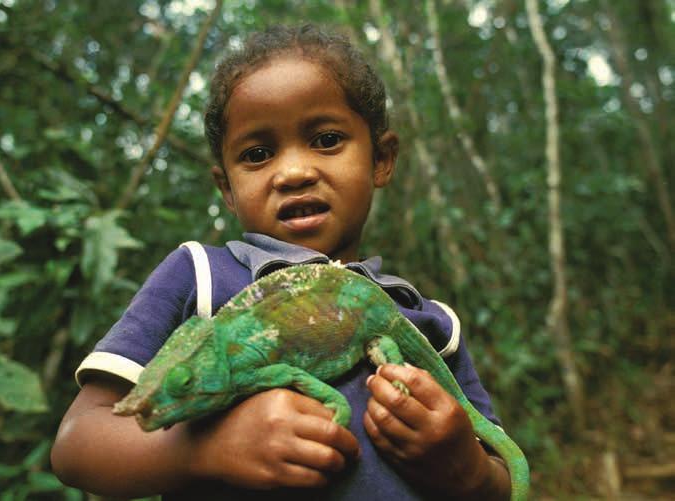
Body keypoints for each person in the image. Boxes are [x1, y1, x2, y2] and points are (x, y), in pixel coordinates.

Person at [51, 24, 512, 500]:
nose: (293, 172)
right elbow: (76, 445)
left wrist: (467, 471)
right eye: (257, 154)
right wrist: (203, 449)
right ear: (226, 188)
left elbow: (501, 475)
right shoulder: (201, 278)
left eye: (327, 139)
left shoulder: (428, 321)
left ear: (382, 159)